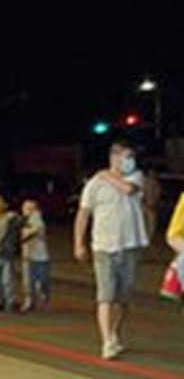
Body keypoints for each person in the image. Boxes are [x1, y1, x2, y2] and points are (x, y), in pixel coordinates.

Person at [74, 139, 147, 360]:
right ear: (114, 157)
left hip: (131, 245)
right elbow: (83, 213)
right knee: (105, 295)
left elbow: (128, 190)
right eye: (127, 156)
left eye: (132, 157)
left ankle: (114, 332)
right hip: (104, 247)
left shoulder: (136, 177)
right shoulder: (94, 184)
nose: (130, 161)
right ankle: (106, 341)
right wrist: (79, 242)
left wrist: (106, 175)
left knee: (123, 298)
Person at [0, 194, 23, 312]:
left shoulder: (11, 218)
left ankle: (10, 301)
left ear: (4, 204)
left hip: (6, 253)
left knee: (7, 279)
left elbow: (21, 227)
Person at [19, 198, 51, 312]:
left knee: (42, 280)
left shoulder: (37, 221)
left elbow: (32, 232)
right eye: (24, 208)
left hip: (40, 257)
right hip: (28, 256)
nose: (26, 210)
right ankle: (29, 301)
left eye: (29, 208)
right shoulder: (24, 221)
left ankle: (44, 295)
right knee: (28, 281)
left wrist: (22, 237)